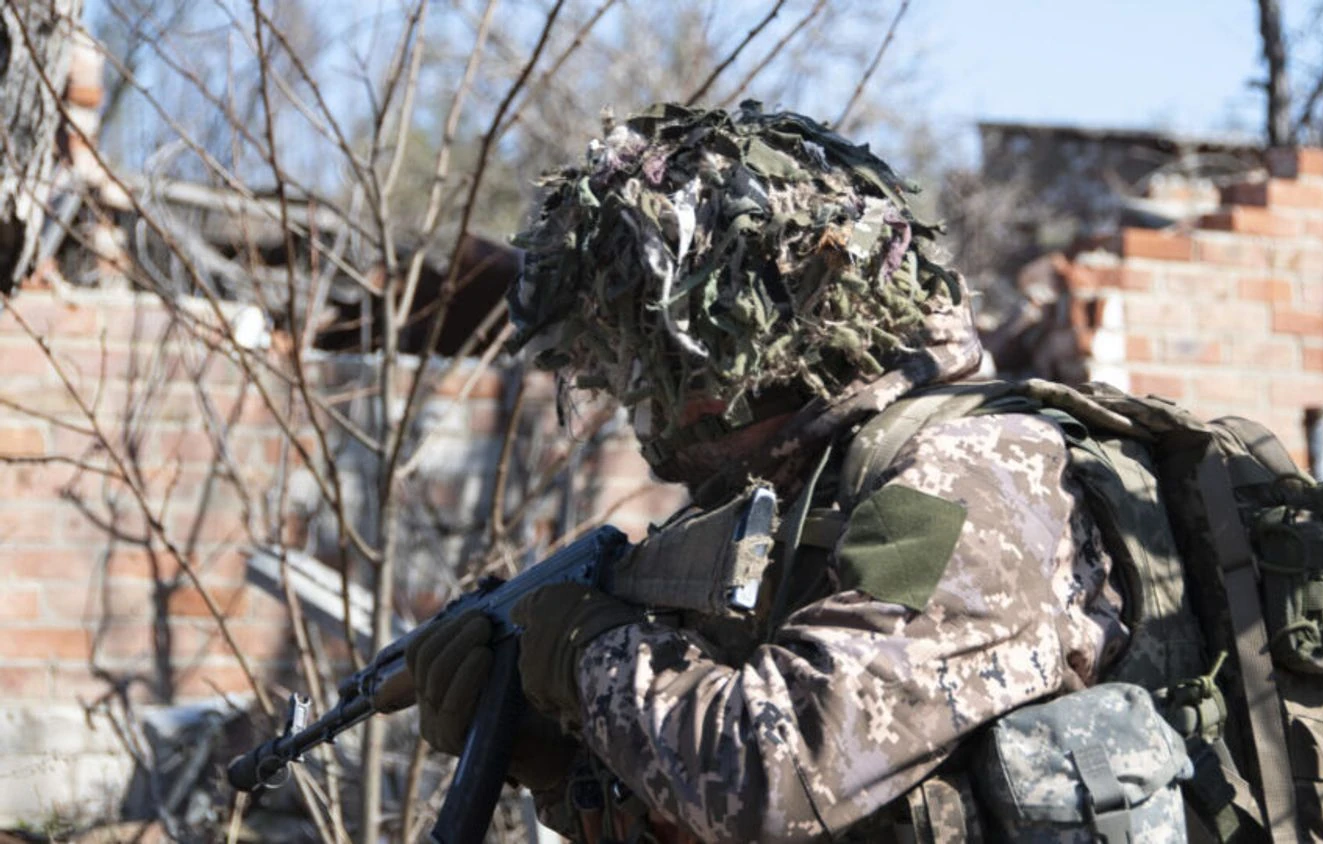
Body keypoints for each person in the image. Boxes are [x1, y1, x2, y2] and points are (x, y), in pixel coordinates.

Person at [405, 101, 1127, 843]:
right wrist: (556, 761)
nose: (642, 409)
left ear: (757, 351)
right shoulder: (798, 498)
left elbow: (772, 774)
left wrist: (584, 652)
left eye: (654, 365)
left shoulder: (965, 477)